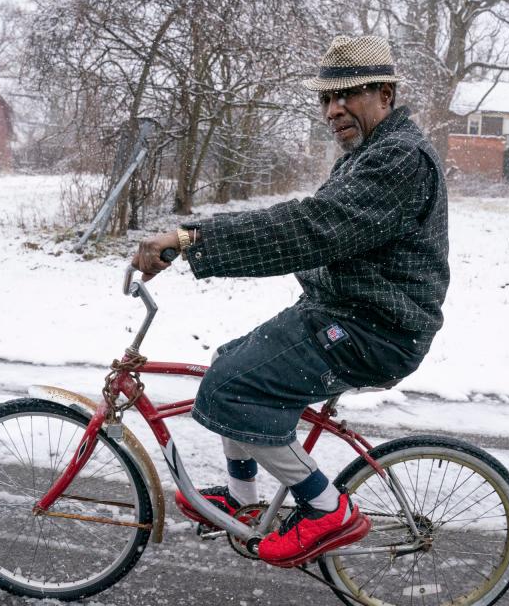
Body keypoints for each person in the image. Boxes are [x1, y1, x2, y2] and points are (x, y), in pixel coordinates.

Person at [131, 34, 450, 566]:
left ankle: (326, 510)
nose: (334, 109)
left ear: (386, 95)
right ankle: (244, 500)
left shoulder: (399, 159)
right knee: (231, 364)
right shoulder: (371, 153)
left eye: (350, 93)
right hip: (343, 312)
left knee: (233, 390)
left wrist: (193, 240)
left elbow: (313, 228)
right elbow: (314, 226)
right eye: (326, 98)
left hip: (374, 329)